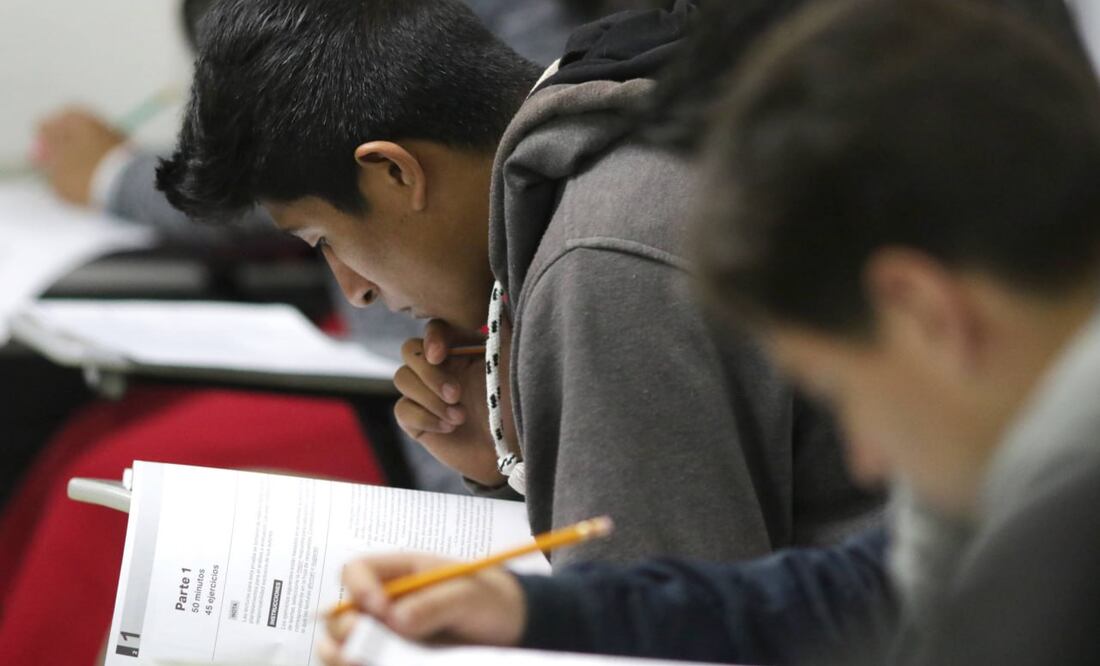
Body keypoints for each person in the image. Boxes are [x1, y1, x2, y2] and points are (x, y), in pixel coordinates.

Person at [315, 0, 1100, 664]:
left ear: (926, 312)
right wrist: (528, 611)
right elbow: (839, 595)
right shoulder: (1010, 465)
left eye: (842, 392)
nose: (863, 459)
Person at [157, 0, 876, 569]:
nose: (356, 291)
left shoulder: (598, 255)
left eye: (326, 243)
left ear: (396, 173)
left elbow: (659, 642)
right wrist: (512, 459)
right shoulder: (617, 107)